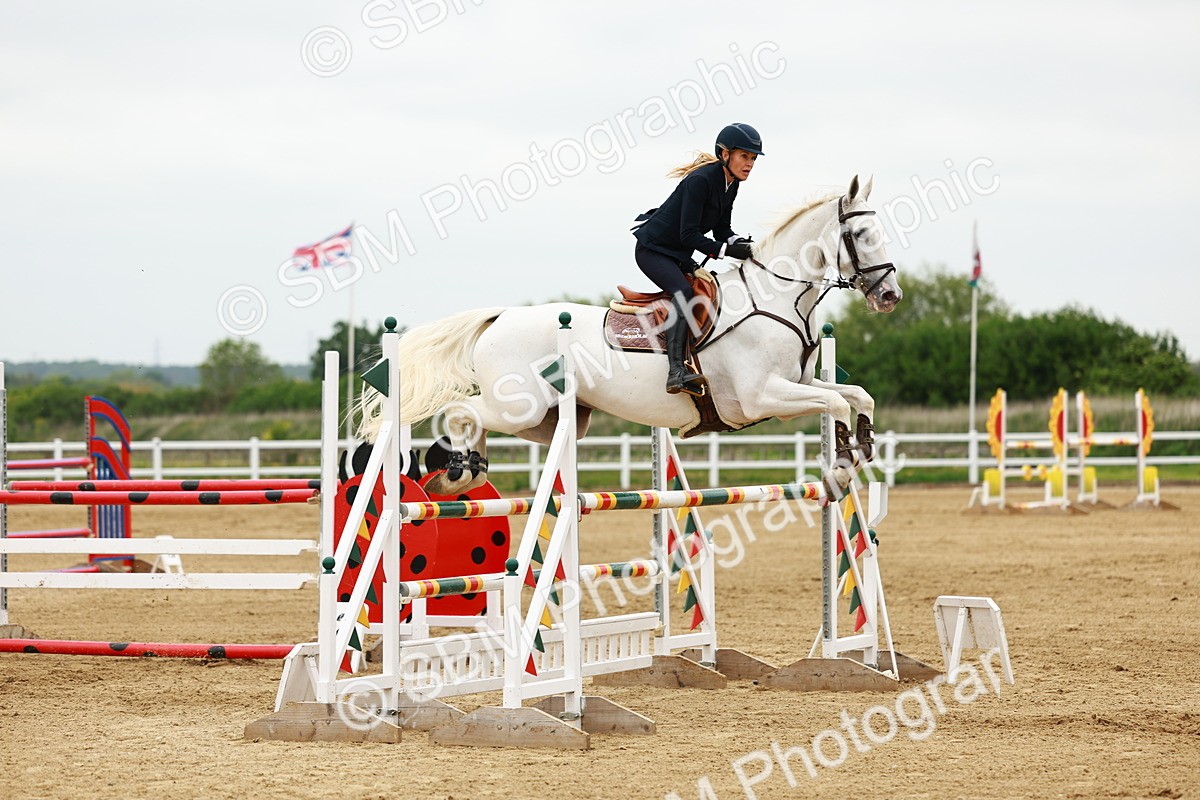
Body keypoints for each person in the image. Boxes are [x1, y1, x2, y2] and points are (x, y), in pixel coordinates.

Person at [631, 122, 763, 395]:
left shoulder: (731, 184)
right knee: (684, 293)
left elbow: (722, 230)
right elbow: (689, 234)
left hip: (676, 254)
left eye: (752, 158)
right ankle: (676, 371)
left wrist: (742, 244)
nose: (749, 164)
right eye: (744, 156)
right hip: (653, 250)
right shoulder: (700, 181)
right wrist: (726, 251)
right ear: (724, 155)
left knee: (708, 291)